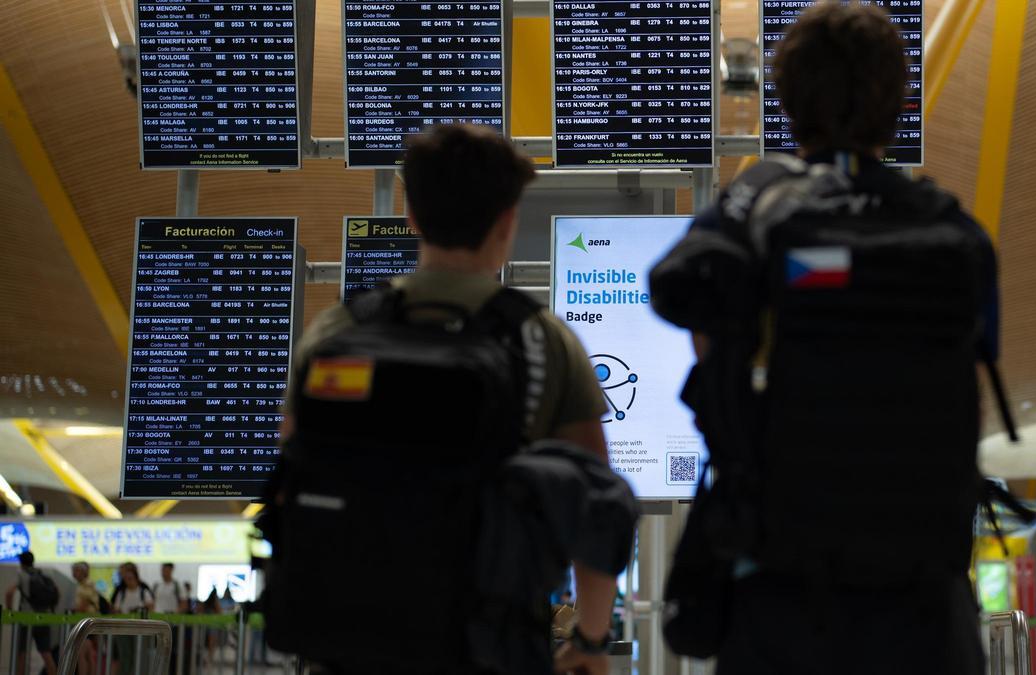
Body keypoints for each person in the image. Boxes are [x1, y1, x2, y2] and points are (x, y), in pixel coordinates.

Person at [650, 3, 998, 673]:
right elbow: (971, 380)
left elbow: (688, 305)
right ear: (899, 105)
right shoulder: (951, 232)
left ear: (785, 102)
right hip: (924, 593)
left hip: (779, 588)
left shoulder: (752, 210)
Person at [270, 124, 629, 675]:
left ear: (411, 215)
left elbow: (293, 471)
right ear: (507, 223)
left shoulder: (338, 330)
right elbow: (595, 504)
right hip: (484, 642)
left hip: (348, 637)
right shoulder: (541, 339)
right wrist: (591, 639)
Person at [4, 551, 59, 675]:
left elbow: (9, 593)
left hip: (26, 618)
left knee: (22, 653)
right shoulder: (44, 574)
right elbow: (57, 593)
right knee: (46, 653)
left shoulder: (22, 575)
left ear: (21, 563)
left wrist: (10, 611)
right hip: (43, 617)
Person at [71, 562, 101, 675]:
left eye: (76, 570)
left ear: (84, 572)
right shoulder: (83, 585)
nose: (74, 573)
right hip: (88, 622)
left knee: (82, 653)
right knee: (88, 653)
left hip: (87, 622)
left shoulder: (87, 584)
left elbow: (85, 603)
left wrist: (74, 611)